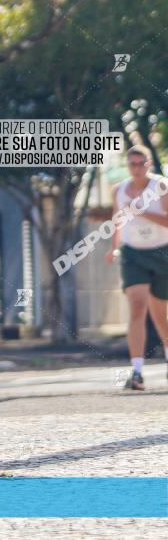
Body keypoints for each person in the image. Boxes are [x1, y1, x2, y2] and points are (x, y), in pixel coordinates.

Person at [105, 145, 168, 390]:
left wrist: (140, 211)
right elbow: (117, 218)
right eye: (132, 164)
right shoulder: (118, 190)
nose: (137, 168)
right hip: (133, 253)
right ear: (127, 166)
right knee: (137, 305)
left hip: (162, 251)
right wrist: (114, 247)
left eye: (142, 163)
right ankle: (138, 372)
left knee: (160, 316)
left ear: (149, 164)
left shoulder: (161, 186)